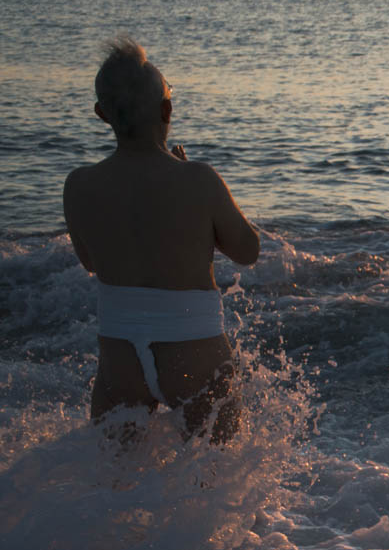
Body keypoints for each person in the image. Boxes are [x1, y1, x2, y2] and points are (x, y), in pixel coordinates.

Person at [63, 37, 261, 441]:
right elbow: (247, 250)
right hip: (195, 352)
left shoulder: (79, 185)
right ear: (167, 110)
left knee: (113, 474)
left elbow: (92, 262)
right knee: (217, 474)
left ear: (102, 114)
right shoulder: (197, 179)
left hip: (120, 358)